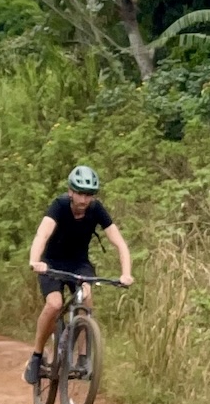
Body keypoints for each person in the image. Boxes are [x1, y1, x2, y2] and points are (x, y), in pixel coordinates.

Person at [23, 165, 133, 385]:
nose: (84, 199)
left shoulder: (96, 210)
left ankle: (83, 356)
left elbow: (119, 243)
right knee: (54, 304)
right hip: (52, 263)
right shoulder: (59, 206)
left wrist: (126, 274)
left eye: (89, 195)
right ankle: (36, 356)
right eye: (80, 193)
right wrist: (35, 261)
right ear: (71, 191)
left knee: (86, 297)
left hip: (79, 264)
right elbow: (42, 235)